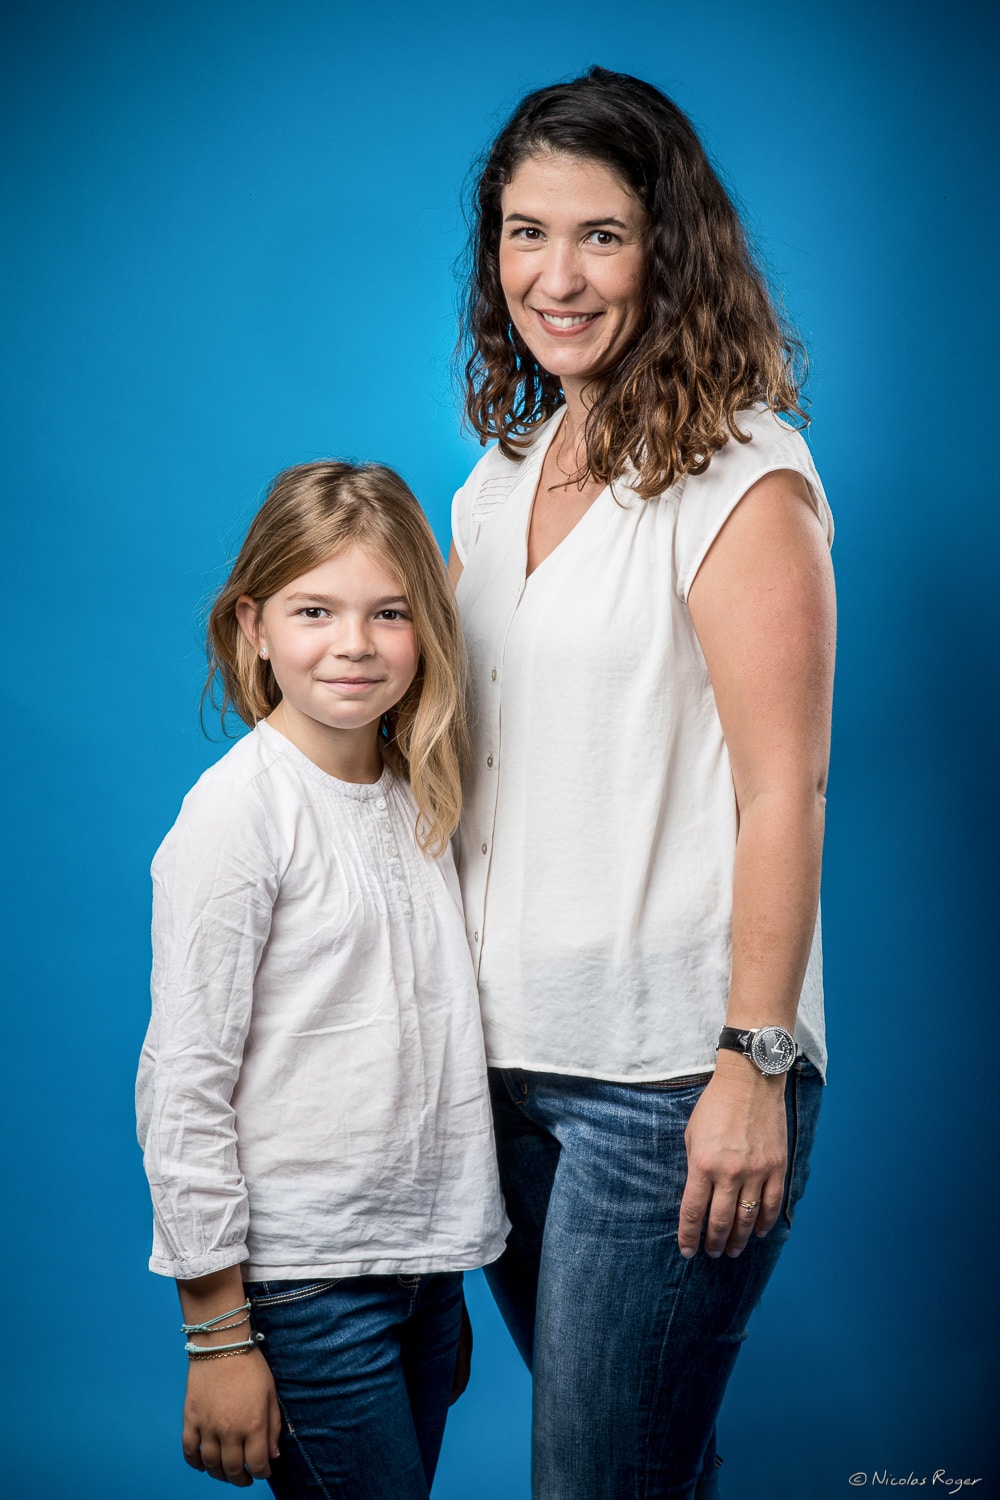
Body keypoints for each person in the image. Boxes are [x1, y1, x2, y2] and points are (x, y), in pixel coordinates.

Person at [448, 67, 836, 1499]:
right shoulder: (495, 480)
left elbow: (782, 789)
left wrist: (756, 1060)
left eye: (601, 234)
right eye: (524, 231)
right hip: (496, 1071)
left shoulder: (745, 476)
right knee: (643, 1469)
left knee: (597, 1480)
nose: (556, 275)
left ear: (670, 249)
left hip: (669, 1082)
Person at [137, 460, 507, 1497]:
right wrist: (216, 1338)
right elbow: (184, 1082)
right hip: (304, 1285)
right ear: (253, 626)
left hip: (423, 1274)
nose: (353, 644)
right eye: (315, 610)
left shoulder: (414, 795)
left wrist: (442, 1275)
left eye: (389, 613)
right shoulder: (237, 815)